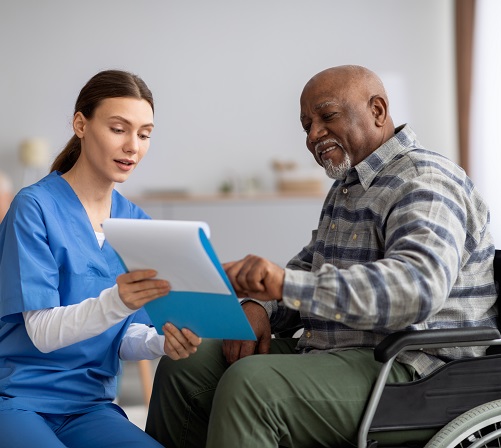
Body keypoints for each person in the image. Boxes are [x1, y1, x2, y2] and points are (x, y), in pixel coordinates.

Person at [145, 65, 498, 448]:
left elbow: (416, 289)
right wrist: (263, 307)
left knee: (252, 386)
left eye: (326, 116)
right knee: (188, 365)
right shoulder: (348, 186)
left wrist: (284, 283)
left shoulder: (425, 180)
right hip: (342, 351)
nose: (314, 135)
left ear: (377, 110)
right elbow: (310, 268)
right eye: (306, 125)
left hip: (417, 370)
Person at [0, 69, 202, 448]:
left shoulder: (137, 223)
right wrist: (119, 300)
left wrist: (162, 343)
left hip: (90, 407)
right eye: (118, 129)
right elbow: (42, 333)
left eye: (144, 134)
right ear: (81, 124)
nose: (133, 147)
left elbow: (124, 335)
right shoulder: (34, 207)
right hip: (17, 400)